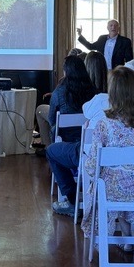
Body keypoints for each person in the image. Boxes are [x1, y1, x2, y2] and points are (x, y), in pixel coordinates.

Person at [79, 67, 134, 240]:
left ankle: (124, 237)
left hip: (114, 190)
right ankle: (130, 236)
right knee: (129, 177)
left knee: (109, 180)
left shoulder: (105, 125)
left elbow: (92, 166)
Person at [45, 55, 100, 215]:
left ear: (66, 71)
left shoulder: (60, 91)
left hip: (69, 140)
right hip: (89, 141)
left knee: (52, 149)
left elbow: (51, 118)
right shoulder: (93, 91)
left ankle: (71, 198)